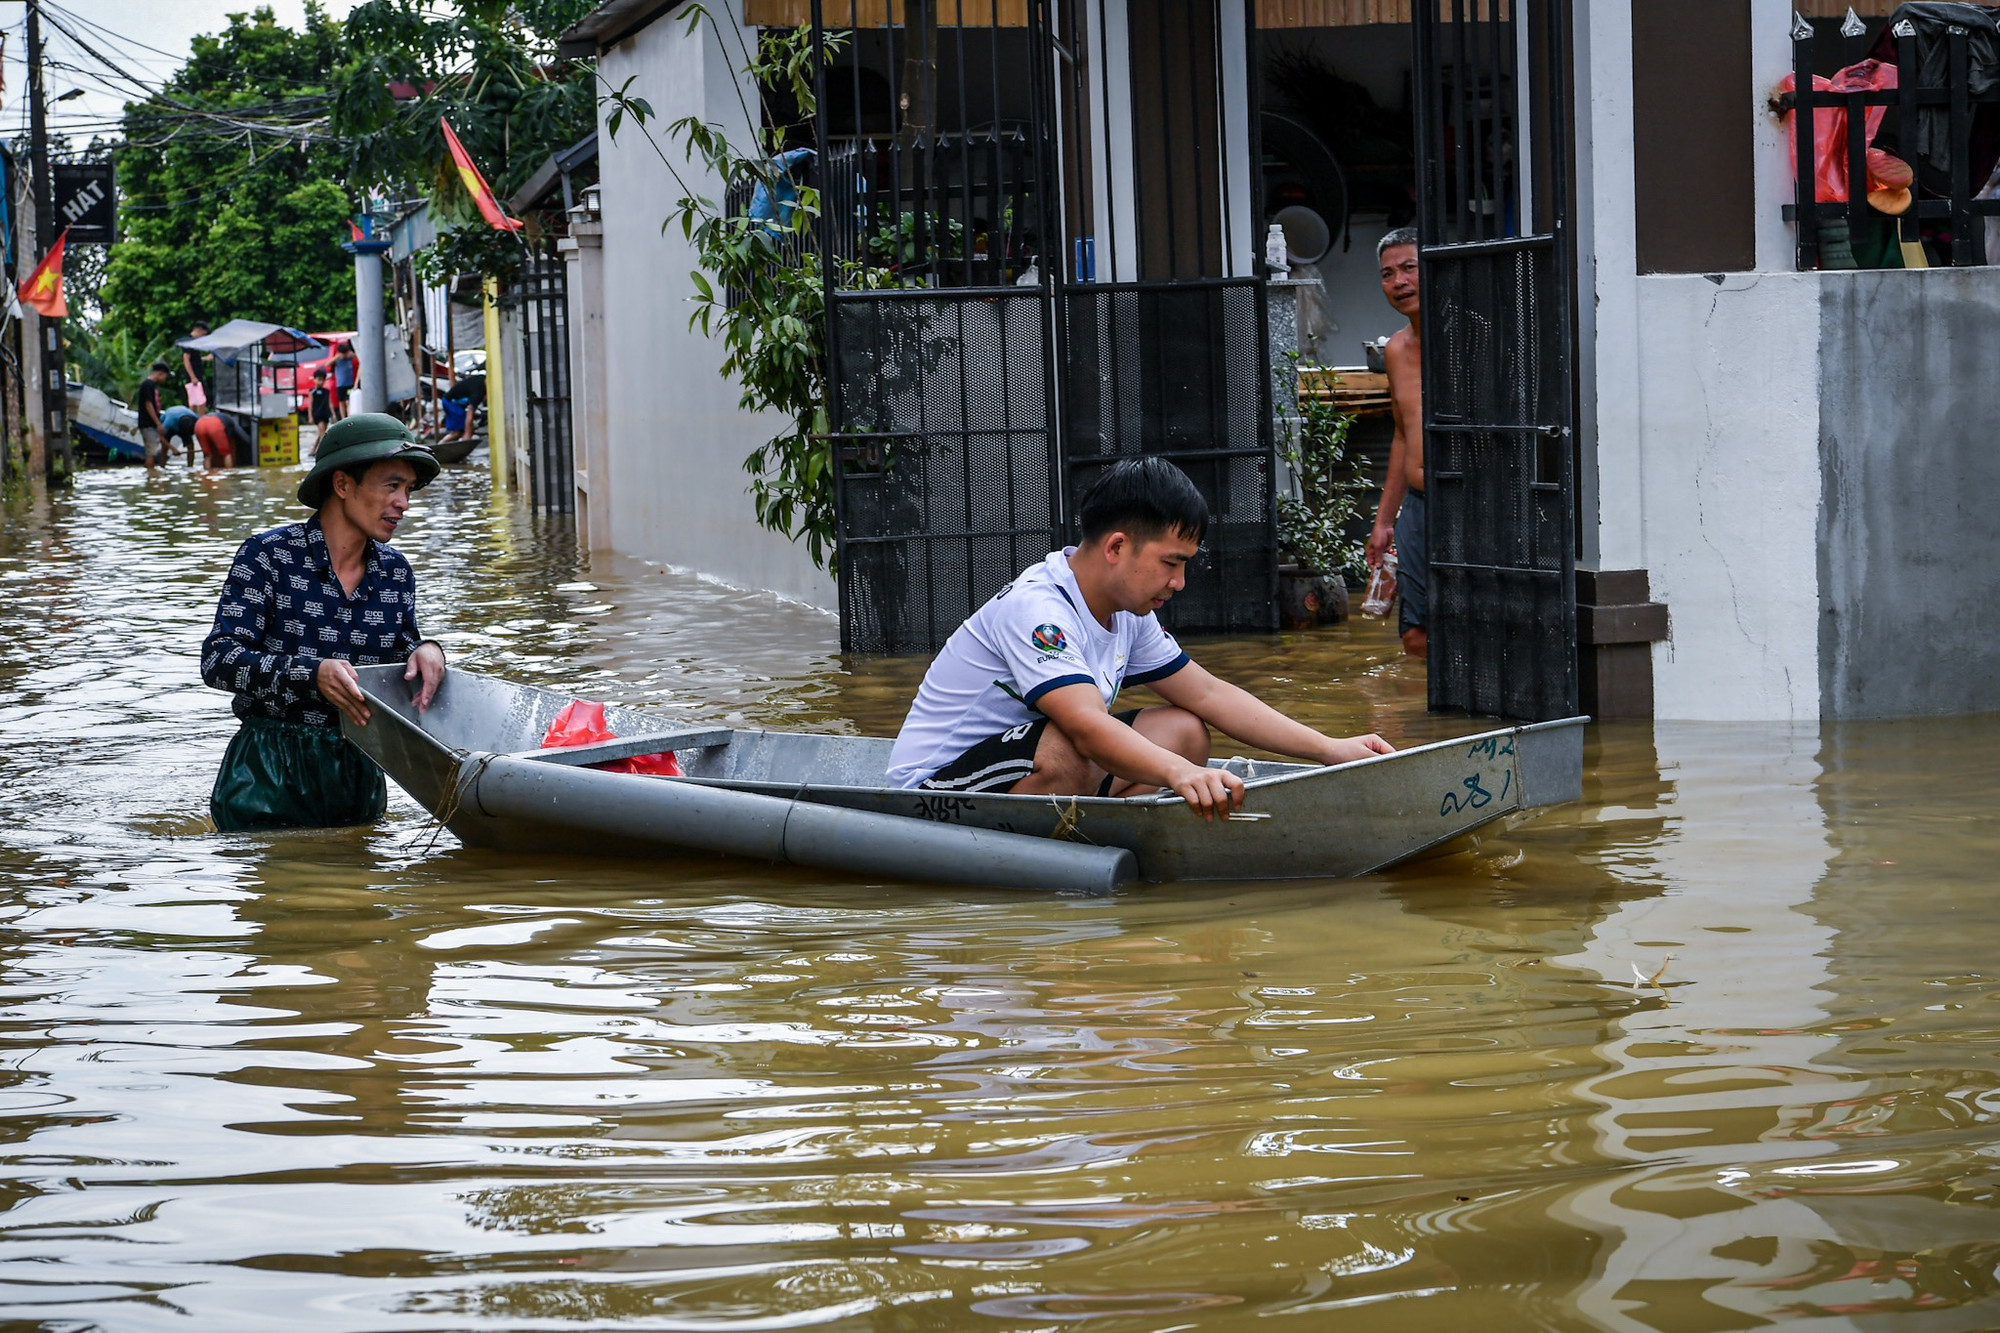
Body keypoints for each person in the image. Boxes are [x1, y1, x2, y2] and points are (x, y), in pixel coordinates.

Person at [885, 457, 1393, 815]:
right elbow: (1085, 727)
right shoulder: (1039, 610)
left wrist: (1330, 749)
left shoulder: (1129, 612)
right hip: (934, 789)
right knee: (1070, 743)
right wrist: (1179, 776)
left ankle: (1113, 839)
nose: (1179, 583)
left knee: (1186, 730)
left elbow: (1212, 694)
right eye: (1171, 563)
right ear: (1117, 547)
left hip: (1026, 771)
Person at [199, 413, 445, 831]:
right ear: (343, 484)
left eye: (407, 489)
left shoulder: (395, 572)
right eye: (391, 485)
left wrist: (427, 651)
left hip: (358, 775)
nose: (403, 503)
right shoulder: (268, 556)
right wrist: (312, 675)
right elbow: (220, 660)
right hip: (267, 776)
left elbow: (400, 656)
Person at [1365, 227, 1426, 659]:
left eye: (1409, 268)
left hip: (1470, 499)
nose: (1399, 282)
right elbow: (1403, 433)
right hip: (1419, 505)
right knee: (1415, 635)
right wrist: (1385, 521)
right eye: (1388, 275)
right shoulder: (1396, 350)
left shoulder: (1470, 335)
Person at [134, 362, 170, 470]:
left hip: (149, 424)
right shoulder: (148, 385)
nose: (165, 379)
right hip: (148, 424)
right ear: (160, 373)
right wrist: (158, 423)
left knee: (152, 451)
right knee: (151, 453)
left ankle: (151, 477)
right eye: (165, 376)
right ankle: (151, 477)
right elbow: (148, 404)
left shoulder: (150, 385)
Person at [182, 321, 213, 409]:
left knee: (197, 399)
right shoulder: (189, 342)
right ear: (200, 331)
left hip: (197, 372)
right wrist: (193, 377)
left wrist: (205, 358)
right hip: (194, 375)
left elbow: (194, 359)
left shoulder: (194, 343)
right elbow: (186, 360)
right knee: (198, 400)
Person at [330, 341, 359, 420]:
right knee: (341, 401)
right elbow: (327, 364)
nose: (344, 356)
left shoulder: (349, 357)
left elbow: (359, 358)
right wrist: (336, 357)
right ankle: (343, 417)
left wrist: (352, 354)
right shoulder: (337, 359)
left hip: (349, 384)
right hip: (340, 384)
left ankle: (349, 416)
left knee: (348, 401)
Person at [308, 370, 333, 446]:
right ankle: (324, 449)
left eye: (322, 380)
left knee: (322, 432)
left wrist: (333, 414)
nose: (321, 382)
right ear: (314, 380)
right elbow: (310, 404)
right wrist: (310, 416)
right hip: (317, 414)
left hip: (325, 413)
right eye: (319, 379)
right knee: (323, 434)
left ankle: (313, 450)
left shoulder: (326, 391)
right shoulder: (312, 391)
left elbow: (330, 403)